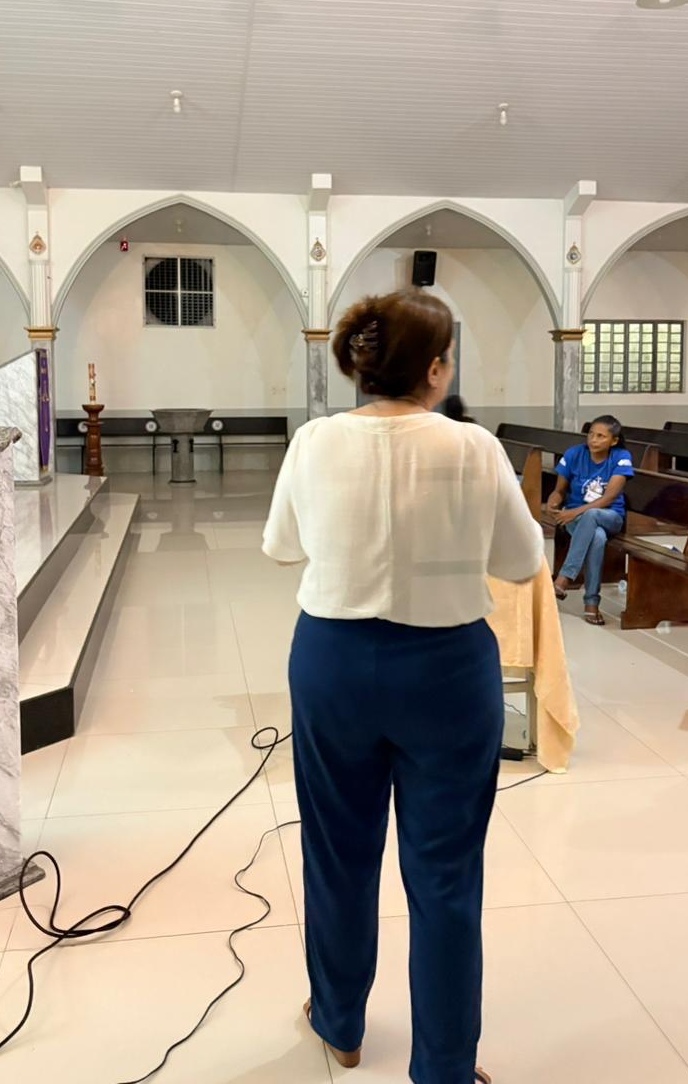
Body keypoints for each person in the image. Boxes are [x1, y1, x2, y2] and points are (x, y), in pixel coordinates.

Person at [262, 288, 543, 1084]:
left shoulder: (315, 442)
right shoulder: (473, 448)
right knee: (446, 873)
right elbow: (522, 560)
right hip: (448, 671)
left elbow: (282, 546)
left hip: (334, 663)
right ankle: (445, 1067)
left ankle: (340, 1023)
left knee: (337, 853)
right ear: (436, 368)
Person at [549, 415, 634, 626]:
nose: (593, 440)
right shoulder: (574, 454)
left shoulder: (621, 457)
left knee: (592, 515)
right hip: (578, 519)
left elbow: (609, 498)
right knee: (596, 538)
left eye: (601, 436)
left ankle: (565, 577)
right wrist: (554, 502)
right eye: (591, 434)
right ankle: (591, 603)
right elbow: (559, 490)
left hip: (610, 516)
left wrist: (574, 512)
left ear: (614, 441)